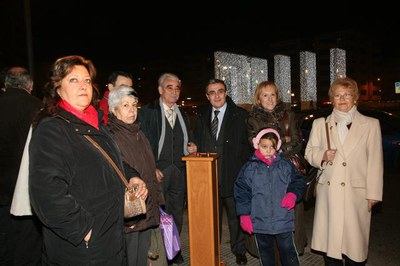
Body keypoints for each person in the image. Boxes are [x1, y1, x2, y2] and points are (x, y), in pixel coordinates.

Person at [28, 55, 148, 265]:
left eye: (86, 80)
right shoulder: (53, 129)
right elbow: (45, 193)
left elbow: (113, 161)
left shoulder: (96, 125)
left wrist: (133, 177)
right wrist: (84, 230)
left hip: (111, 238)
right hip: (82, 249)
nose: (82, 86)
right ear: (57, 88)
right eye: (73, 80)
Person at [304, 77, 383, 265]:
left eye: (347, 95)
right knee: (331, 248)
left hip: (357, 193)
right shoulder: (321, 124)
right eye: (337, 95)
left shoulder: (371, 124)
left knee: (355, 247)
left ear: (355, 98)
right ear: (332, 100)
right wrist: (322, 155)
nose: (342, 99)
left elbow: (375, 161)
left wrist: (373, 194)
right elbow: (309, 152)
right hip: (329, 193)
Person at [138, 72, 197, 265]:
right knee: (156, 215)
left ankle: (174, 250)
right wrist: (151, 167)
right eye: (169, 87)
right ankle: (158, 252)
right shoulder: (148, 112)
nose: (174, 91)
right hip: (158, 172)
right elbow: (142, 144)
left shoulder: (184, 115)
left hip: (179, 171)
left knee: (176, 215)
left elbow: (188, 139)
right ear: (160, 90)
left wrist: (193, 148)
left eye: (177, 87)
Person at [108, 85, 167, 266]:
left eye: (134, 105)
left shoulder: (138, 133)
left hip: (146, 208)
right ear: (114, 109)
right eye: (126, 105)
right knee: (130, 259)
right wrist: (128, 218)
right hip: (130, 214)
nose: (132, 110)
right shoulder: (111, 137)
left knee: (142, 258)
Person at [246, 81, 308, 255]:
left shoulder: (288, 115)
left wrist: (276, 150)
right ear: (258, 99)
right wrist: (283, 140)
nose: (269, 98)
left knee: (290, 212)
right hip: (263, 175)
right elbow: (255, 145)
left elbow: (297, 141)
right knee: (266, 212)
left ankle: (291, 251)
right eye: (265, 95)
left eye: (273, 94)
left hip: (287, 173)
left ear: (278, 96)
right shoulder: (253, 119)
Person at [192, 78, 250, 265]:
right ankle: (212, 248)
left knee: (235, 215)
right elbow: (196, 141)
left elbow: (247, 148)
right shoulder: (200, 116)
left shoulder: (240, 115)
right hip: (207, 177)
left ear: (226, 93)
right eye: (212, 92)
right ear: (207, 96)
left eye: (220, 91)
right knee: (210, 217)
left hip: (233, 175)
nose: (217, 95)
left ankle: (239, 250)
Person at [234, 128, 304, 266]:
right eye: (264, 146)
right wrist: (244, 214)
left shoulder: (285, 165)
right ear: (257, 145)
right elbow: (242, 191)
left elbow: (298, 181)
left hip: (282, 219)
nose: (268, 150)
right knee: (266, 254)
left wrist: (293, 193)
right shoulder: (250, 168)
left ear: (277, 147)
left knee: (288, 251)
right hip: (260, 220)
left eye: (272, 147)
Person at [0, 67, 43, 265]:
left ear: (6, 85)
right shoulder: (37, 108)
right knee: (27, 248)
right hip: (24, 193)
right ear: (30, 85)